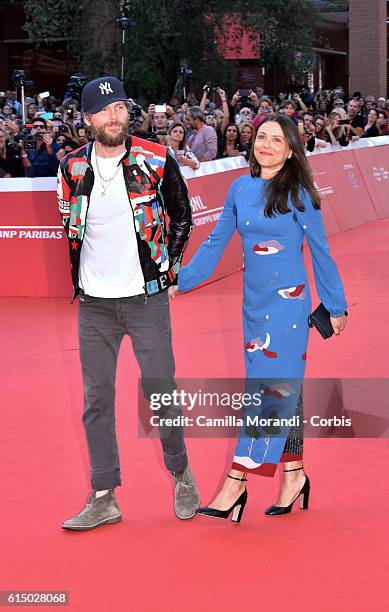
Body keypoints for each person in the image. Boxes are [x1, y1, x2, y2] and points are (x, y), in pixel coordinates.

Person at [174, 114, 347, 522]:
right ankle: (294, 475)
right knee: (280, 391)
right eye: (262, 137)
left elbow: (321, 254)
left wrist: (336, 307)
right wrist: (180, 280)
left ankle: (236, 483)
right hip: (254, 308)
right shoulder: (240, 188)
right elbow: (216, 243)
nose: (266, 144)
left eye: (277, 139)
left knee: (268, 395)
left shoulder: (300, 194)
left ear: (291, 150)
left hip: (288, 309)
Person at [58, 75, 199, 531]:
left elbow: (182, 214)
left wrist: (169, 268)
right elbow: (71, 228)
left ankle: (180, 473)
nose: (113, 116)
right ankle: (104, 496)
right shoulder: (71, 169)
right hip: (95, 304)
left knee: (161, 392)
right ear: (86, 119)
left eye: (119, 107)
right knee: (96, 400)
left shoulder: (156, 159)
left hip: (145, 298)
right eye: (102, 111)